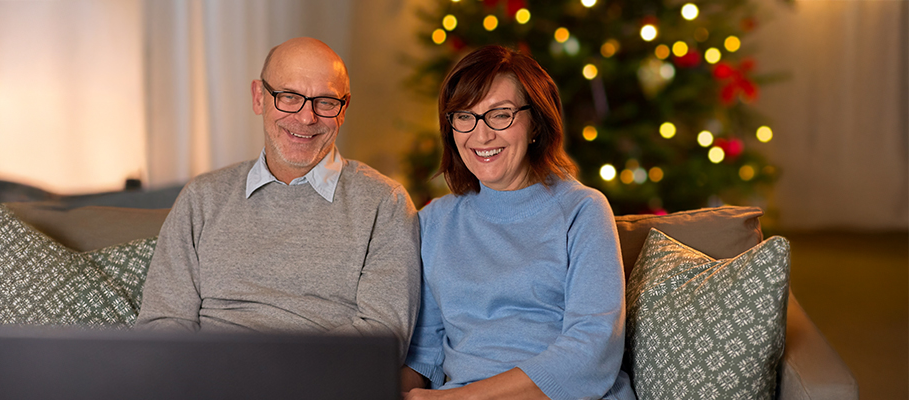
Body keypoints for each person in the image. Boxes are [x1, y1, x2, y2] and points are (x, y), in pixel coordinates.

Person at [135, 37, 421, 359]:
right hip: (206, 380)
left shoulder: (385, 203)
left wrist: (272, 374)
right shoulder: (202, 197)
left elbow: (383, 335)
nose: (306, 118)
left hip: (318, 385)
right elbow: (164, 321)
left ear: (343, 109)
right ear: (259, 97)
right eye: (288, 97)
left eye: (325, 101)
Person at [400, 45, 635, 400]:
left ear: (535, 123)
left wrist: (462, 398)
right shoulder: (434, 221)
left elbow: (591, 351)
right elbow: (423, 357)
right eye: (464, 116)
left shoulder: (582, 210)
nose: (481, 136)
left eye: (500, 115)